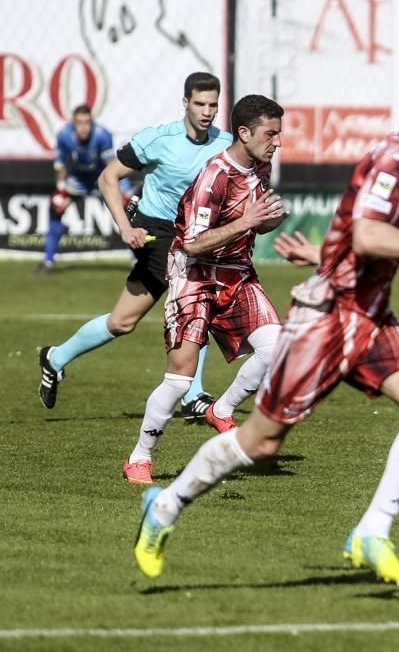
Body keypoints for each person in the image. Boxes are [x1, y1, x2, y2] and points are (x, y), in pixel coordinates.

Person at [133, 62, 399, 585]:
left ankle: (372, 532)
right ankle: (164, 507)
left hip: (366, 316)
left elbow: (354, 231)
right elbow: (370, 235)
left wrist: (324, 256)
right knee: (260, 442)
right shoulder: (396, 162)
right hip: (328, 320)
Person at [38, 73, 232, 423]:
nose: (207, 111)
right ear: (185, 103)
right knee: (195, 300)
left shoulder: (225, 144)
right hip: (157, 231)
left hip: (193, 235)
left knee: (122, 321)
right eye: (200, 103)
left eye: (213, 105)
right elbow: (107, 178)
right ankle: (193, 394)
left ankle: (54, 358)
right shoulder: (159, 140)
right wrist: (125, 228)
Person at [122, 95, 289, 485]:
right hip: (193, 274)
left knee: (278, 348)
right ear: (244, 133)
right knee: (180, 380)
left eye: (279, 134)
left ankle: (221, 410)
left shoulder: (260, 165)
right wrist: (247, 221)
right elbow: (194, 243)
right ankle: (140, 457)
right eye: (271, 134)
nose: (277, 142)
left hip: (236, 272)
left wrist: (265, 221)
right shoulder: (214, 175)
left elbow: (250, 221)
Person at [40, 104, 132, 274]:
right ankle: (48, 261)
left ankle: (137, 262)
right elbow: (60, 165)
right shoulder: (64, 136)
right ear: (73, 123)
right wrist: (61, 190)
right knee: (55, 207)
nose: (83, 127)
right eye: (79, 123)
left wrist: (122, 191)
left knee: (129, 210)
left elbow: (111, 166)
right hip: (77, 180)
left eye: (87, 122)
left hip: (100, 178)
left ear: (92, 122)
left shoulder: (102, 135)